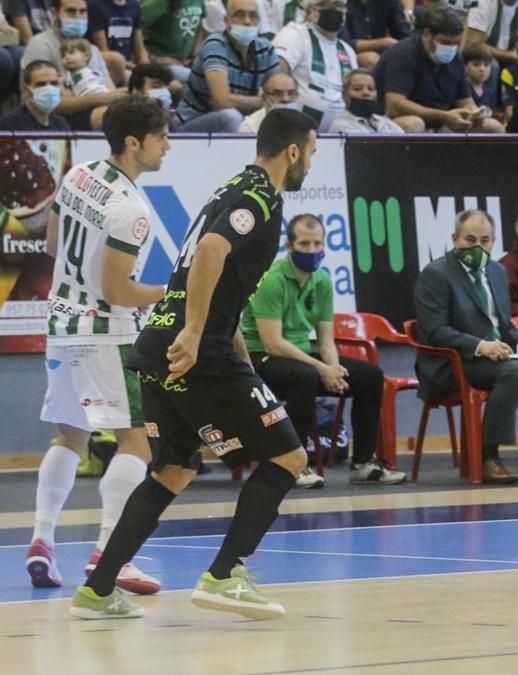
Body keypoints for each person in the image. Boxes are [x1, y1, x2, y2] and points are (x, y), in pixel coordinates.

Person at [70, 109, 319, 621]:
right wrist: (194, 331)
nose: (310, 164)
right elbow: (209, 252)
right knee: (289, 459)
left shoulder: (230, 188)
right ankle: (226, 574)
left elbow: (219, 281)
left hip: (160, 345)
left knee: (174, 469)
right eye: (310, 154)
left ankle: (96, 591)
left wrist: (229, 346)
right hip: (193, 351)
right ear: (292, 151)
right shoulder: (257, 198)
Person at [27, 96, 169, 596]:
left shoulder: (79, 174)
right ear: (134, 142)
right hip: (106, 333)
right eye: (161, 138)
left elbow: (49, 246)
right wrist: (173, 291)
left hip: (60, 323)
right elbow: (118, 293)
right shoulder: (131, 211)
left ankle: (42, 541)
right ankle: (111, 554)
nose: (167, 147)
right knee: (137, 444)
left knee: (71, 437)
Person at [413, 210, 518, 485]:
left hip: (499, 353)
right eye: (469, 239)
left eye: (485, 240)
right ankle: (489, 457)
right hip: (454, 361)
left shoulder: (496, 271)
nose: (477, 247)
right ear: (454, 239)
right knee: (513, 370)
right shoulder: (435, 274)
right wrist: (480, 345)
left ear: (493, 242)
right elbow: (434, 331)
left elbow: (506, 328)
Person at [240, 213, 407, 487]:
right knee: (305, 375)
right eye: (304, 244)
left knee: (370, 376)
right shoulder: (271, 281)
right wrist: (321, 369)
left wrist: (333, 369)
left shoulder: (322, 281)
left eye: (317, 244)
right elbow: (272, 342)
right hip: (261, 358)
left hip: (300, 357)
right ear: (289, 246)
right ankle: (294, 466)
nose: (312, 250)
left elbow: (326, 339)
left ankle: (363, 463)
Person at [373, 7, 505, 132]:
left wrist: (473, 113)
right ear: (426, 35)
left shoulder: (456, 58)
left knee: (493, 127)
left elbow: (465, 101)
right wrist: (444, 116)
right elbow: (394, 106)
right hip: (388, 120)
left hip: (441, 120)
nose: (451, 48)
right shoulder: (403, 54)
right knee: (414, 124)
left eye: (456, 43)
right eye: (445, 42)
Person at [177, 0, 280, 132]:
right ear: (227, 21)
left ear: (259, 21)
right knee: (232, 117)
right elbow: (222, 101)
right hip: (192, 123)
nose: (247, 21)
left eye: (253, 16)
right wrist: (264, 101)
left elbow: (279, 95)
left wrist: (271, 101)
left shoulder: (266, 49)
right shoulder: (215, 44)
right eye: (239, 15)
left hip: (241, 121)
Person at [21, 0, 124, 130]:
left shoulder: (92, 49)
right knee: (114, 116)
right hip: (55, 118)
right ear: (54, 13)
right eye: (71, 11)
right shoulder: (41, 45)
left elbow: (110, 92)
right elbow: (49, 103)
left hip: (92, 109)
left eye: (82, 12)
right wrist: (100, 99)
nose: (78, 17)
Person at [273, 0, 359, 131]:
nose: (334, 10)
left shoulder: (348, 51)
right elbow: (277, 70)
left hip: (340, 133)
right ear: (308, 12)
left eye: (338, 6)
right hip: (296, 129)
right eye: (325, 5)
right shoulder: (295, 34)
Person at [328, 67, 417, 131]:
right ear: (344, 95)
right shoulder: (340, 125)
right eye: (357, 89)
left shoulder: (386, 122)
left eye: (370, 89)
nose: (366, 93)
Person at [0, 59, 71, 130]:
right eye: (41, 84)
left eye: (54, 83)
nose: (49, 89)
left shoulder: (61, 124)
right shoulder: (10, 123)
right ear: (26, 89)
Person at [343, 0, 412, 69]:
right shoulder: (341, 3)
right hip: (344, 54)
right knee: (370, 59)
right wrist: (382, 43)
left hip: (380, 54)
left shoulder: (390, 2)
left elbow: (404, 35)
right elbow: (343, 43)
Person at [464, 0, 518, 66]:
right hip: (481, 55)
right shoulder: (482, 3)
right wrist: (509, 55)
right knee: (493, 65)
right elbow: (473, 44)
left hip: (512, 54)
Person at [87, 0, 148, 72]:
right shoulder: (96, 5)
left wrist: (146, 69)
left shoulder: (134, 5)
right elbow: (103, 50)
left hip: (128, 64)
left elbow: (140, 47)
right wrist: (125, 65)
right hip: (106, 65)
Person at [463, 41, 500, 112]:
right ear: (465, 67)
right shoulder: (463, 90)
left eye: (486, 65)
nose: (482, 69)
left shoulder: (490, 93)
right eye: (476, 65)